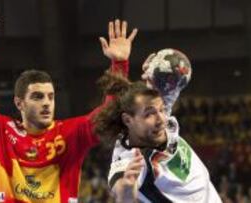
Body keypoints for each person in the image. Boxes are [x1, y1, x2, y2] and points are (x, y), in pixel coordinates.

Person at [0, 3, 137, 203]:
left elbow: (109, 114)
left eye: (50, 96)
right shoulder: (0, 131)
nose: (47, 103)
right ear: (19, 103)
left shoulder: (72, 134)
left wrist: (120, 64)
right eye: (37, 97)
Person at [93, 52, 222, 203]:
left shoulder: (158, 121)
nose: (161, 119)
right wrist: (127, 190)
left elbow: (171, 85)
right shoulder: (130, 157)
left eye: (161, 110)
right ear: (128, 120)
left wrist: (157, 77)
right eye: (149, 114)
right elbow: (122, 191)